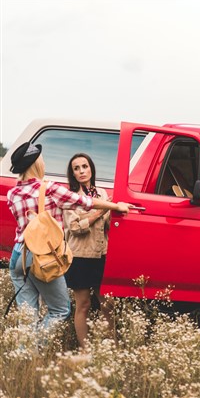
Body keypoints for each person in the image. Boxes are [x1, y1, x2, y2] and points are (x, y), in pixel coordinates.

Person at [6, 142, 131, 333]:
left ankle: (26, 356)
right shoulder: (48, 188)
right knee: (60, 310)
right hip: (41, 255)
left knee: (27, 314)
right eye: (42, 161)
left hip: (18, 256)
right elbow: (84, 202)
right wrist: (115, 206)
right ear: (36, 165)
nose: (44, 164)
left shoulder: (12, 193)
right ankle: (39, 345)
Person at [63, 153, 114, 349]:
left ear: (91, 168)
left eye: (85, 166)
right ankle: (86, 350)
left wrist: (117, 210)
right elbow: (75, 228)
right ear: (73, 174)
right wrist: (101, 211)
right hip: (80, 257)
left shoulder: (101, 193)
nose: (82, 171)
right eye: (77, 168)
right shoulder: (71, 197)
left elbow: (109, 223)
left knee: (108, 304)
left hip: (102, 255)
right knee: (83, 305)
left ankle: (111, 346)